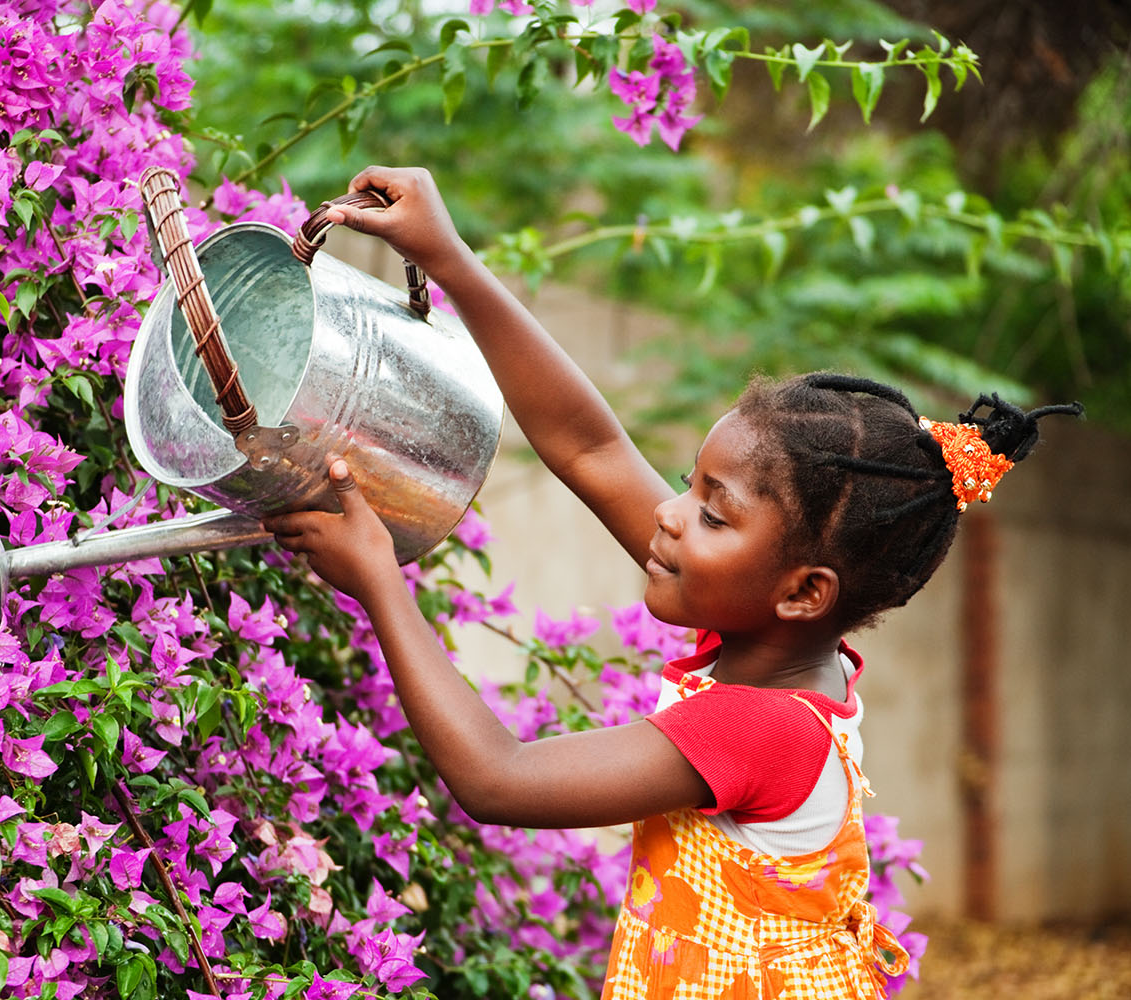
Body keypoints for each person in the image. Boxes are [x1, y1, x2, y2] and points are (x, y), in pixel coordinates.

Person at [261, 165, 1083, 999]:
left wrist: (378, 582)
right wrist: (452, 260)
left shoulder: (759, 725)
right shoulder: (776, 641)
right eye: (691, 486)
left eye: (714, 514)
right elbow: (592, 451)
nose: (670, 515)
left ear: (804, 591)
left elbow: (496, 780)